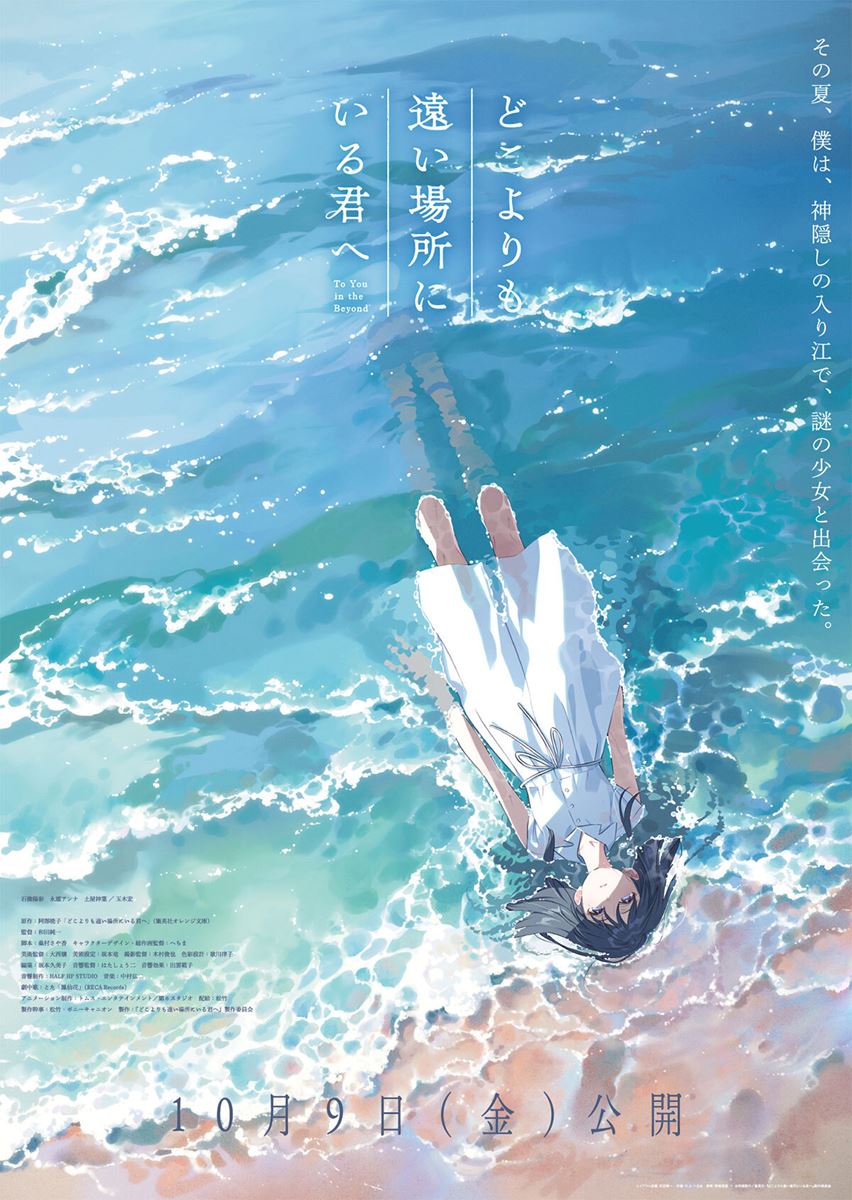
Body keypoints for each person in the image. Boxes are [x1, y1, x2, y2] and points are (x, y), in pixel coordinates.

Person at [415, 484, 680, 963]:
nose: (610, 899)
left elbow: (499, 785)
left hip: (512, 731)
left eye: (601, 913)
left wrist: (467, 736)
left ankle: (445, 549)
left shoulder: (544, 845)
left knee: (472, 637)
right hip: (572, 714)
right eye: (626, 903)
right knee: (543, 624)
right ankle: (505, 537)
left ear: (578, 903)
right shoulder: (627, 815)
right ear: (635, 880)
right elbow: (617, 745)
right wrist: (609, 689)